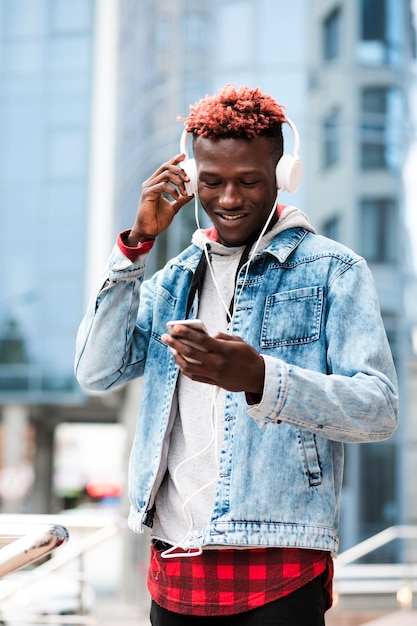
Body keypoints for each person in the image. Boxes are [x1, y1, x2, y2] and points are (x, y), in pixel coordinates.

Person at [75, 84, 398, 625]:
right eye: (212, 182)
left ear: (283, 174)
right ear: (190, 177)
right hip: (175, 567)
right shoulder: (173, 280)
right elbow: (96, 371)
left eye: (248, 181)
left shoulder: (334, 271)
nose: (228, 198)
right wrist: (135, 246)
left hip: (280, 564)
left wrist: (261, 378)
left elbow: (378, 408)